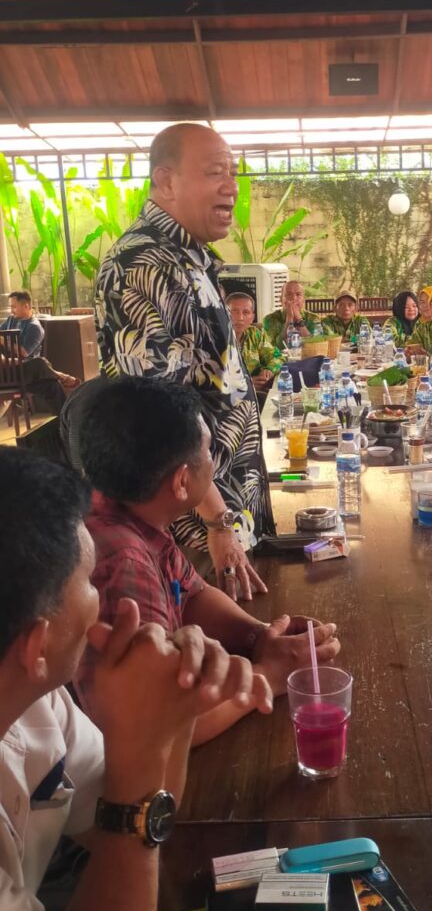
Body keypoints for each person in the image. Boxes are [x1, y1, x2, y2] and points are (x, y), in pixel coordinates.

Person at [0, 447, 270, 911]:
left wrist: (172, 706)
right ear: (38, 643)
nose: (106, 602)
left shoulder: (37, 702)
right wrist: (143, 750)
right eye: (88, 584)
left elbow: (139, 824)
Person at [75, 377, 339, 745]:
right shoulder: (123, 560)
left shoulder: (129, 509)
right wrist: (267, 676)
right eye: (208, 450)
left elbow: (191, 596)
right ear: (181, 481)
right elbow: (159, 722)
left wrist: (260, 636)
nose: (213, 463)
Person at [94, 122, 273, 600]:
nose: (232, 186)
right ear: (166, 181)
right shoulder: (144, 264)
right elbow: (155, 416)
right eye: (215, 172)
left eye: (233, 173)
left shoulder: (188, 258)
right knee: (213, 642)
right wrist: (217, 520)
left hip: (225, 510)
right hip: (194, 531)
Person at [0, 289, 78, 415]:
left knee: (50, 383)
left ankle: (66, 417)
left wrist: (5, 342)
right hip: (7, 373)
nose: (11, 310)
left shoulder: (34, 327)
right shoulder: (11, 320)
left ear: (26, 306)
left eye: (14, 307)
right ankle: (61, 376)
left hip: (25, 374)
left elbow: (25, 353)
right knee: (41, 364)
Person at [226, 291, 282, 392]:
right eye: (234, 312)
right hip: (229, 396)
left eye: (246, 312)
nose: (240, 318)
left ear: (252, 317)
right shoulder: (214, 339)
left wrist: (269, 369)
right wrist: (245, 385)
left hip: (258, 393)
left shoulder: (254, 334)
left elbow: (278, 356)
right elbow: (209, 380)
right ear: (225, 314)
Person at [262, 280, 322, 349]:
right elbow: (277, 347)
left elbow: (316, 345)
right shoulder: (269, 319)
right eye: (288, 294)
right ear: (281, 299)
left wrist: (298, 319)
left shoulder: (314, 318)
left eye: (298, 294)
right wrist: (289, 319)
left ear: (303, 300)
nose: (294, 298)